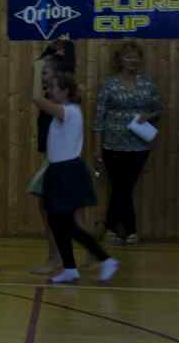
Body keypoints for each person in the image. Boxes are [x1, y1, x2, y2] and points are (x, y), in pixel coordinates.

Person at [31, 59, 120, 284]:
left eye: (53, 88)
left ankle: (106, 259)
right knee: (56, 221)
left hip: (67, 173)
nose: (49, 91)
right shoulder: (62, 113)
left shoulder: (69, 111)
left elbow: (36, 99)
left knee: (66, 223)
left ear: (65, 91)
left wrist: (38, 69)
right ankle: (70, 268)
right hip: (56, 171)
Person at [95, 41, 162, 246]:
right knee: (120, 187)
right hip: (112, 145)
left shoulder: (147, 83)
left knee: (124, 187)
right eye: (128, 56)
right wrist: (97, 147)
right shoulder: (109, 84)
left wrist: (148, 115)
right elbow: (99, 117)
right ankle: (129, 230)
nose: (132, 60)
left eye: (136, 56)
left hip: (140, 145)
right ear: (120, 60)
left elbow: (158, 109)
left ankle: (111, 228)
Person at [27, 38, 76, 275]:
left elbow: (66, 66)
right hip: (54, 157)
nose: (41, 75)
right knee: (61, 210)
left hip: (59, 160)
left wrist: (68, 44)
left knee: (50, 209)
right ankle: (81, 255)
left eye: (45, 72)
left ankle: (56, 257)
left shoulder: (58, 98)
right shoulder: (52, 94)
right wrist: (48, 50)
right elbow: (38, 66)